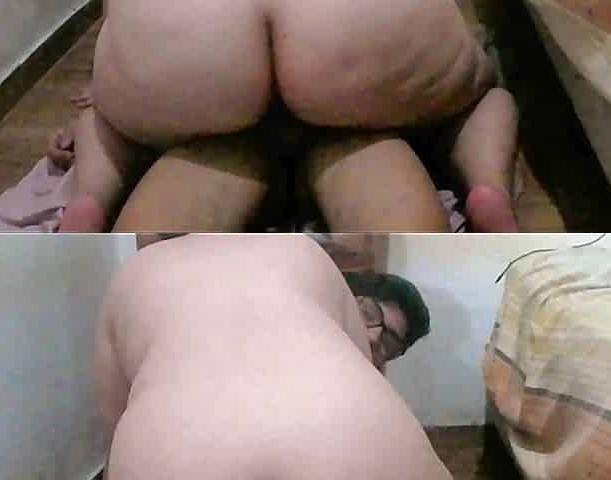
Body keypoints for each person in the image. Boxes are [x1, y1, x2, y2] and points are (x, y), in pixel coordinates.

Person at [61, 0, 519, 233]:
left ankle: (90, 199)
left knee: (121, 123)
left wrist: (111, 88)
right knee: (480, 96)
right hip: (350, 28)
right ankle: (487, 186)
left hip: (195, 30)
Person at [95, 235, 451, 479]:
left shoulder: (136, 271)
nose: (373, 336)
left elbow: (114, 421)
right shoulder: (307, 254)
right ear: (350, 290)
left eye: (389, 344)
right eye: (371, 315)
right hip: (348, 439)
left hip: (173, 449)